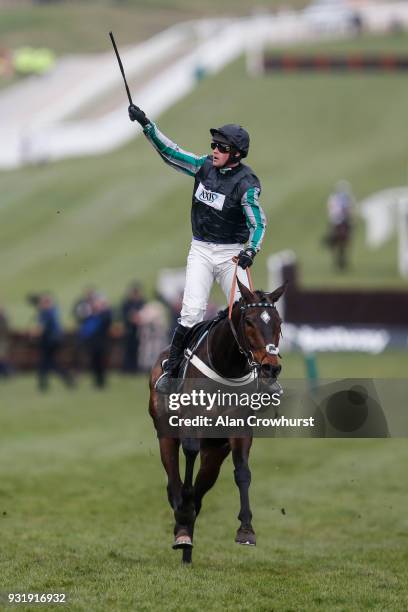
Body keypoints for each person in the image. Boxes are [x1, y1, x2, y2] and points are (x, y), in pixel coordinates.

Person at [128, 104, 267, 393]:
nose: (214, 150)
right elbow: (171, 153)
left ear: (237, 154)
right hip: (202, 250)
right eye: (214, 145)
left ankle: (262, 377)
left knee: (247, 314)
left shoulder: (247, 184)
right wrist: (146, 125)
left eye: (221, 147)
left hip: (232, 254)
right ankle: (174, 370)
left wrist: (250, 252)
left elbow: (258, 223)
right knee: (191, 313)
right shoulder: (203, 167)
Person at [34, 293, 74, 391]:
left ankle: (66, 378)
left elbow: (41, 329)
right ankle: (44, 383)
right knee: (46, 362)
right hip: (53, 340)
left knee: (48, 362)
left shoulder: (46, 313)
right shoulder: (53, 311)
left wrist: (34, 334)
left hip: (49, 341)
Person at [79, 293, 112, 388]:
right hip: (92, 343)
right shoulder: (91, 315)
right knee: (94, 363)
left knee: (101, 363)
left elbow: (107, 321)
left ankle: (102, 382)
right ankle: (97, 382)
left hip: (101, 343)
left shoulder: (104, 315)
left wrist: (103, 309)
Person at [324, 180, 354, 270]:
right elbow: (332, 210)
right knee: (334, 241)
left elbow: (350, 210)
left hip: (343, 222)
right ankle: (338, 261)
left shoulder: (347, 198)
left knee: (345, 242)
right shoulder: (334, 198)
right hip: (336, 222)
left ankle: (342, 261)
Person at [121, 283, 146, 373]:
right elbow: (124, 315)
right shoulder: (126, 303)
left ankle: (136, 367)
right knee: (129, 349)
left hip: (140, 330)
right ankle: (129, 368)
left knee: (139, 350)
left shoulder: (142, 302)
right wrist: (131, 318)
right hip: (129, 330)